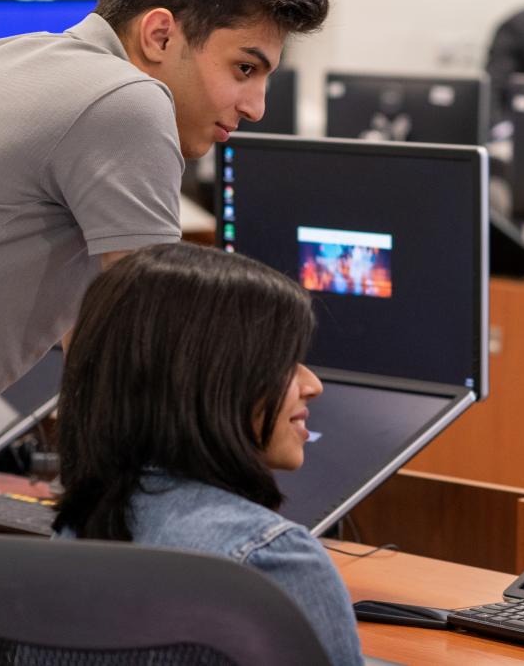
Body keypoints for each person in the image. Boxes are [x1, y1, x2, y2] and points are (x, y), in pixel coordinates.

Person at [0, 0, 328, 628]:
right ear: (159, 34)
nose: (256, 104)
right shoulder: (127, 100)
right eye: (244, 67)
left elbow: (99, 332)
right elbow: (160, 350)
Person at [52, 243, 360, 665]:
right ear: (214, 379)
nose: (312, 385)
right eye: (285, 361)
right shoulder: (272, 562)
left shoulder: (73, 530)